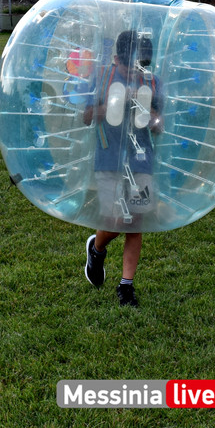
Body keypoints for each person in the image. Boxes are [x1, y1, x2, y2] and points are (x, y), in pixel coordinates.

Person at [81, 30, 162, 307]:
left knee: (136, 222)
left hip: (141, 161)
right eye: (129, 67)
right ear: (116, 59)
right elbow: (86, 117)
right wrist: (113, 104)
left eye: (141, 67)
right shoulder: (102, 77)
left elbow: (160, 126)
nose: (134, 73)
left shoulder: (151, 82)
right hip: (108, 159)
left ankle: (126, 286)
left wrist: (151, 116)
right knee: (115, 222)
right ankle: (97, 247)